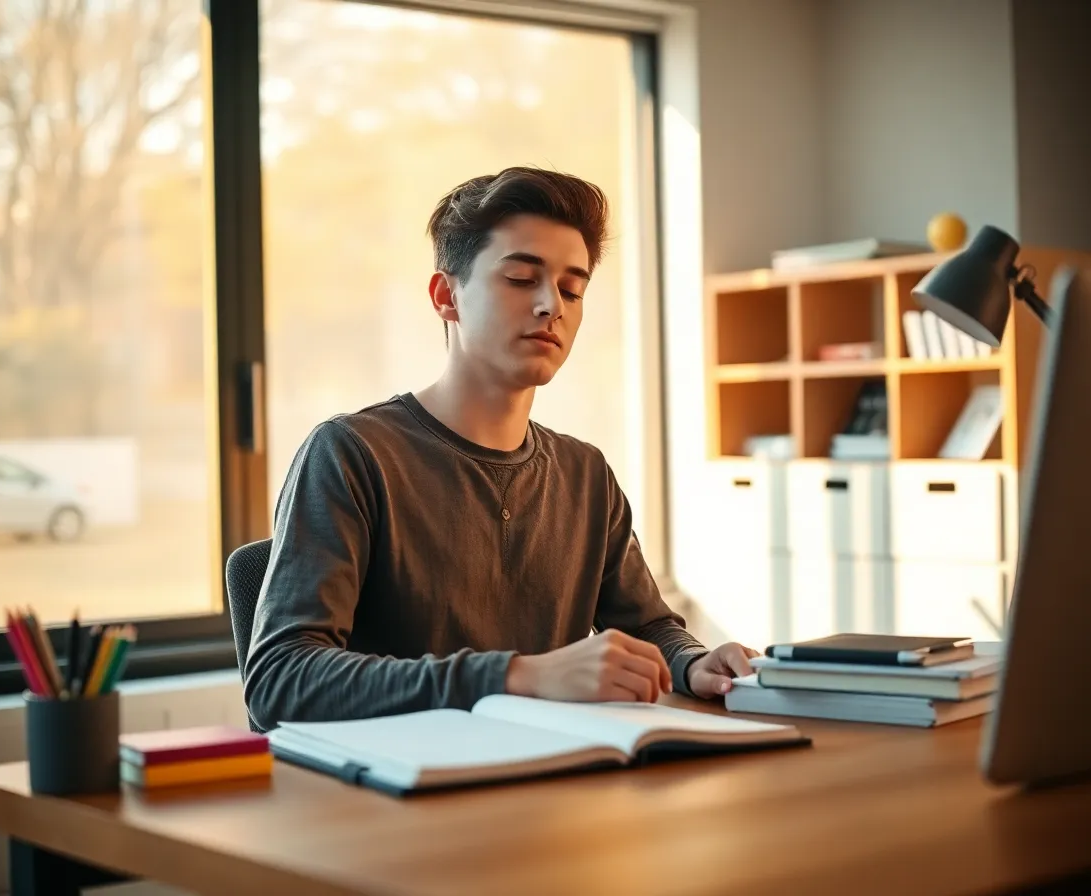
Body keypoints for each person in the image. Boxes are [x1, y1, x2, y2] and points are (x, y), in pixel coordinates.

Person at [243, 166, 758, 732]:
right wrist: (517, 676)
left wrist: (691, 662)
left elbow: (650, 629)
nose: (552, 307)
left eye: (572, 289)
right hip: (401, 799)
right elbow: (280, 679)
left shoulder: (584, 474)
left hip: (554, 783)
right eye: (520, 279)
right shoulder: (351, 454)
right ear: (446, 297)